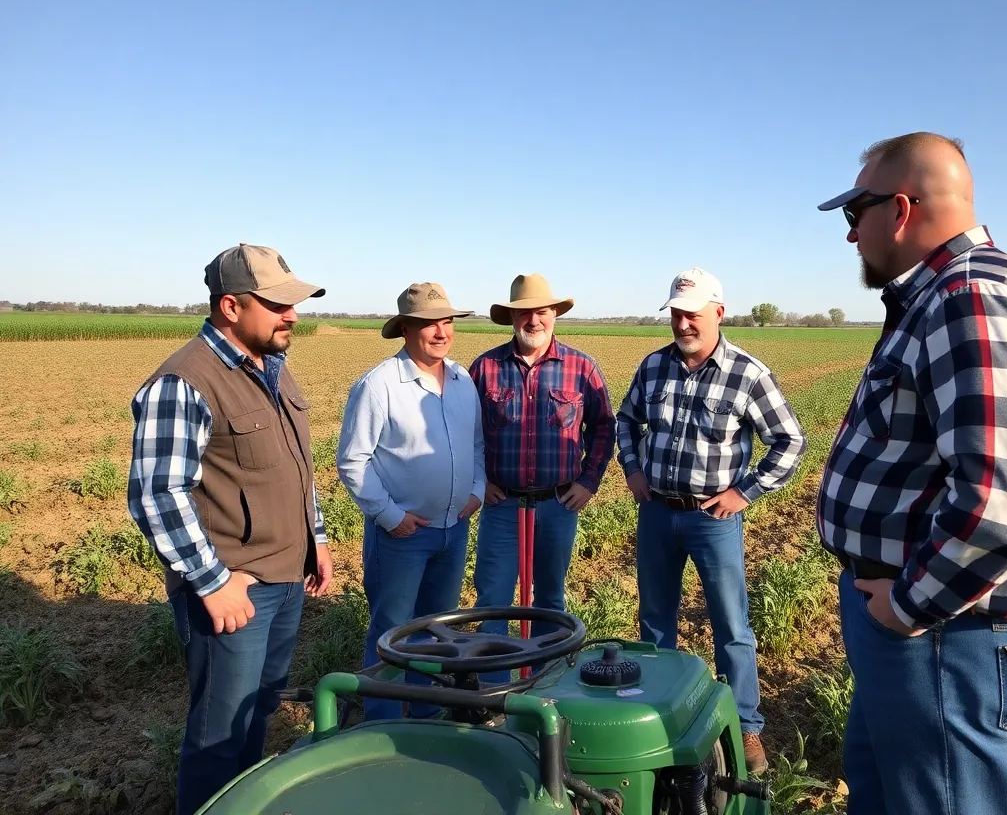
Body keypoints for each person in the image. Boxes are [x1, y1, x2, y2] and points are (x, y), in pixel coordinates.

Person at [816, 132, 1007, 815]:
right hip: (940, 639)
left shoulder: (972, 298)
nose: (852, 236)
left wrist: (905, 605)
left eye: (856, 213)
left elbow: (1004, 505)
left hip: (954, 641)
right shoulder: (951, 295)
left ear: (902, 209)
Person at [127, 243, 333, 815]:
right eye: (277, 304)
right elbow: (156, 493)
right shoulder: (184, 380)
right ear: (231, 307)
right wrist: (213, 583)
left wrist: (315, 536)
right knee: (218, 739)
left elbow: (294, 465)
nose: (293, 314)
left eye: (293, 303)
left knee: (257, 716)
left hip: (285, 579)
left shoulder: (272, 368)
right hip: (235, 592)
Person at [615, 267, 807, 774]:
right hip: (657, 511)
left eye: (693, 314)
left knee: (731, 624)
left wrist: (744, 492)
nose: (683, 324)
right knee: (655, 619)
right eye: (676, 314)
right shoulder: (653, 366)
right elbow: (627, 420)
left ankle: (745, 727)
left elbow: (790, 442)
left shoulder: (748, 373)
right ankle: (657, 711)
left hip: (711, 518)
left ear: (718, 313)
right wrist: (633, 469)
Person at [337, 282, 485, 720]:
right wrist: (390, 516)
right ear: (405, 329)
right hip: (402, 535)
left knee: (438, 630)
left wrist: (476, 491)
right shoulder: (379, 385)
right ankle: (380, 724)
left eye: (445, 322)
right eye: (427, 324)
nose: (440, 332)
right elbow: (352, 460)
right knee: (390, 631)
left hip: (453, 529)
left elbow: (476, 445)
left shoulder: (462, 380)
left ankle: (427, 716)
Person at [468, 273, 615, 682]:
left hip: (556, 505)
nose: (534, 320)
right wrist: (479, 482)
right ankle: (492, 698)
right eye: (525, 312)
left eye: (542, 312)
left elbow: (604, 426)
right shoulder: (486, 368)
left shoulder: (580, 367)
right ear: (512, 317)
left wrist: (588, 481)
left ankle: (548, 688)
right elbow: (466, 432)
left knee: (551, 600)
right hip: (503, 506)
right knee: (493, 601)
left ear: (554, 315)